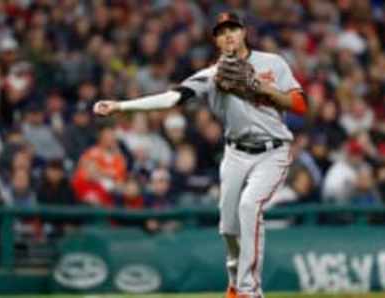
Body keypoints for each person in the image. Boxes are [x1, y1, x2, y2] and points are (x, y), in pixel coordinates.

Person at [93, 12, 310, 298]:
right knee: (228, 227)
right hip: (234, 153)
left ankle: (250, 291)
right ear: (216, 41)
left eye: (233, 29)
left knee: (249, 207)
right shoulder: (211, 76)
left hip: (273, 151)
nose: (228, 35)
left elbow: (300, 105)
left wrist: (262, 87)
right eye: (221, 32)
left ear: (244, 32)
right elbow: (172, 98)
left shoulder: (272, 63)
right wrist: (122, 106)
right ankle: (235, 283)